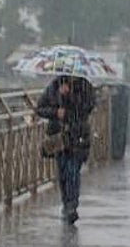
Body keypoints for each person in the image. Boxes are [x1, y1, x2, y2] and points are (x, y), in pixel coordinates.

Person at [35, 75, 97, 224]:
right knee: (62, 172)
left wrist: (69, 98)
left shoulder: (84, 86)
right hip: (59, 138)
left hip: (78, 136)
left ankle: (72, 206)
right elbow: (40, 108)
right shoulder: (55, 85)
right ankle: (66, 203)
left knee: (72, 171)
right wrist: (56, 111)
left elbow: (88, 108)